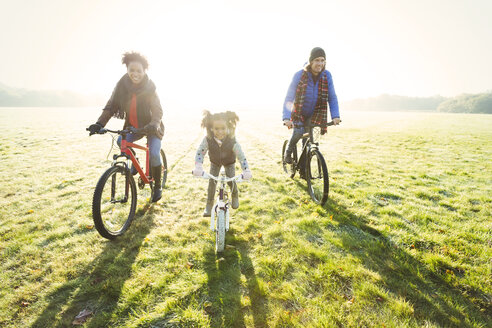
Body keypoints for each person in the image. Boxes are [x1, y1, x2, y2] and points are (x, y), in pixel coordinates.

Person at [87, 52, 165, 202]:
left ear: (144, 71)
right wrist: (99, 124)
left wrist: (154, 124)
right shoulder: (122, 86)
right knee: (120, 142)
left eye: (139, 71)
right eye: (132, 70)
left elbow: (157, 109)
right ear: (127, 70)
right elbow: (111, 106)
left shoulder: (150, 88)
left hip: (152, 127)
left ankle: (157, 187)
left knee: (154, 153)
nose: (135, 74)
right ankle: (135, 164)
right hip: (133, 126)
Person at [283, 47, 340, 167]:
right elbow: (289, 97)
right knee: (298, 133)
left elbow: (332, 97)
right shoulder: (299, 75)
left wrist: (335, 116)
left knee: (310, 142)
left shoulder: (326, 76)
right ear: (311, 61)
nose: (320, 63)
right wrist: (286, 118)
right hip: (299, 112)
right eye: (317, 60)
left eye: (322, 60)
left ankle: (304, 171)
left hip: (316, 113)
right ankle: (288, 151)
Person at [192, 110, 252, 217]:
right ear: (211, 128)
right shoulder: (208, 140)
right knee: (212, 182)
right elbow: (200, 152)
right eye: (216, 129)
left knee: (231, 180)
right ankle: (209, 205)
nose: (220, 132)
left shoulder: (232, 141)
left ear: (228, 127)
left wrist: (246, 170)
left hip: (229, 162)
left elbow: (241, 156)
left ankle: (235, 195)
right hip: (215, 162)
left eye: (223, 128)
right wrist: (198, 166)